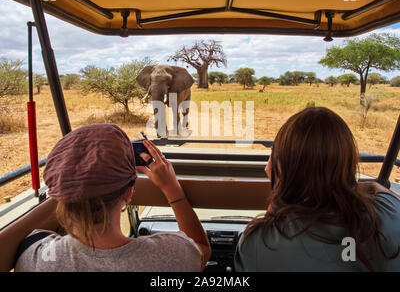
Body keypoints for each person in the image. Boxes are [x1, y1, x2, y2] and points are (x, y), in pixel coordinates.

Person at [15, 123, 211, 272]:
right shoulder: (172, 256)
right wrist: (172, 189)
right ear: (129, 192)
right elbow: (201, 249)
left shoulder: (34, 258)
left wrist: (74, 183)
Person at [234, 107, 400, 272]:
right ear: (348, 163)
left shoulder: (258, 243)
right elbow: (379, 190)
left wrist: (281, 189)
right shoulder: (390, 217)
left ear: (279, 167)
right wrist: (341, 184)